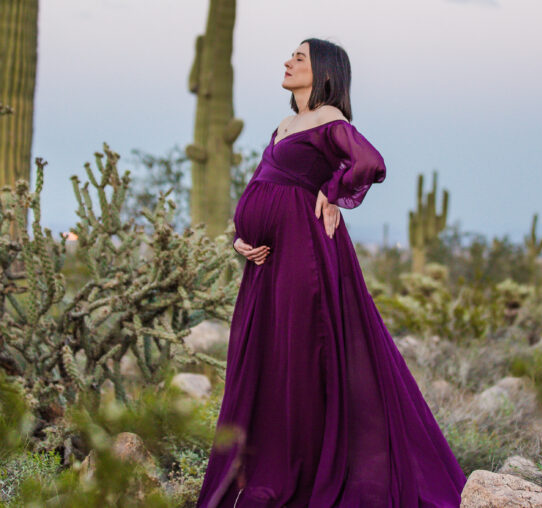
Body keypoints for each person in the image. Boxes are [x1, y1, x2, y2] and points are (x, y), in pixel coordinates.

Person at [196, 39, 467, 507]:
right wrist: (241, 236)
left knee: (302, 351)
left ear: (323, 72)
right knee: (268, 354)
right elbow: (261, 182)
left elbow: (370, 162)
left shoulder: (330, 120)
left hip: (304, 252)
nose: (287, 61)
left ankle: (312, 465)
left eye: (299, 57)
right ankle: (266, 464)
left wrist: (333, 191)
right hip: (265, 261)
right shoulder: (285, 123)